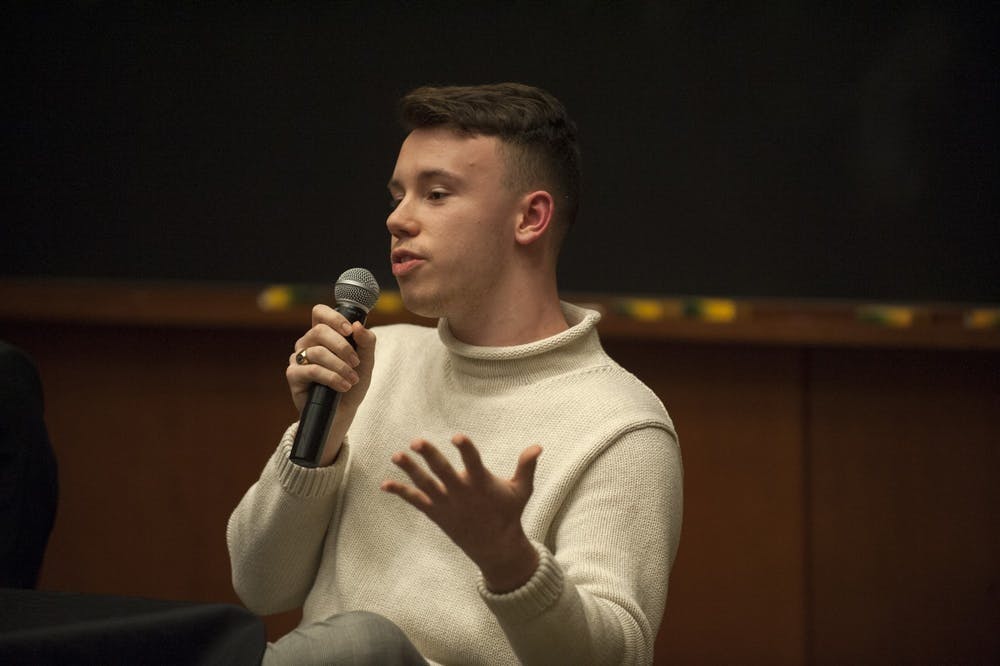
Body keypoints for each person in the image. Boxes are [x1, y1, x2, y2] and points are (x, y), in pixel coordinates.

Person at [227, 83, 683, 665]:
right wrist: (318, 445)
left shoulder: (621, 426)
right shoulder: (374, 360)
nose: (398, 219)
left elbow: (616, 657)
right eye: (398, 196)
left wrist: (509, 560)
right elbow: (260, 586)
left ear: (530, 217)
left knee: (359, 644)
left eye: (436, 194)